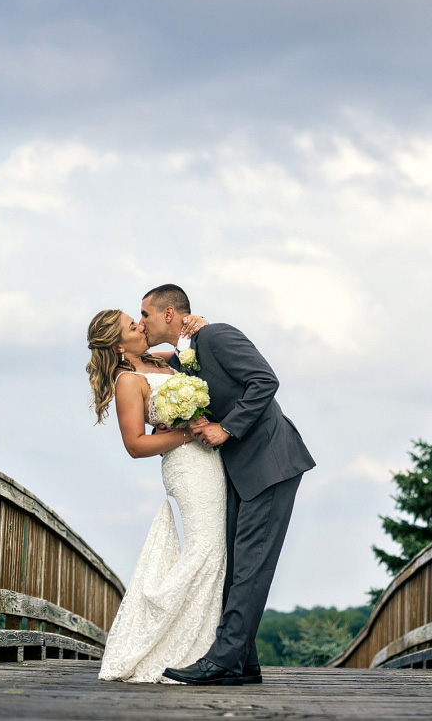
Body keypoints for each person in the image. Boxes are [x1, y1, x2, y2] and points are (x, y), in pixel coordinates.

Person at [139, 284, 316, 687]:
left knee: (250, 566)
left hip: (270, 462)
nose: (142, 322)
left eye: (145, 314)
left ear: (169, 314)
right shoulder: (186, 358)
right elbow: (160, 372)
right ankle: (242, 661)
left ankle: (221, 660)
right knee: (236, 567)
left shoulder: (216, 335)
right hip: (239, 471)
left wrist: (227, 427)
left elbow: (264, 380)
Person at [87, 308, 219, 684]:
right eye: (133, 326)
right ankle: (183, 651)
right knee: (206, 549)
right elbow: (135, 445)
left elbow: (191, 354)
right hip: (186, 464)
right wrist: (189, 434)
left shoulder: (159, 361)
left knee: (212, 548)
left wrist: (199, 329)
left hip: (209, 459)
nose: (141, 326)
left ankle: (204, 648)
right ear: (117, 345)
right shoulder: (128, 381)